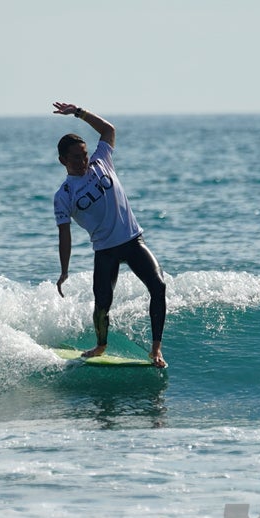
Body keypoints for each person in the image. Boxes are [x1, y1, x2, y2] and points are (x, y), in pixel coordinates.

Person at [52, 101, 167, 368]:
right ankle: (101, 345)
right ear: (62, 161)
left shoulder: (101, 161)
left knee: (158, 287)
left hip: (132, 240)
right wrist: (64, 271)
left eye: (84, 154)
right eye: (75, 158)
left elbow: (108, 130)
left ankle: (156, 350)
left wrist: (78, 112)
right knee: (102, 303)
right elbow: (64, 235)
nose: (83, 161)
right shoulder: (64, 195)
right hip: (105, 250)